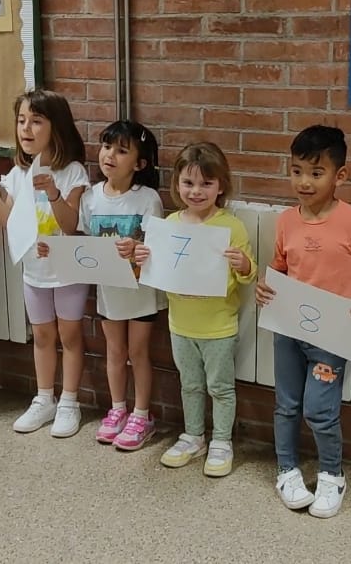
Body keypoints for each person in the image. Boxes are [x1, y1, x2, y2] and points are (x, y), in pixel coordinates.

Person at [256, 125, 351, 518]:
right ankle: (286, 470)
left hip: (331, 335)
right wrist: (265, 287)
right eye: (296, 171)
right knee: (287, 404)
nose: (304, 182)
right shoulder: (286, 221)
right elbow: (278, 268)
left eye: (316, 173)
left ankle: (331, 475)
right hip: (288, 328)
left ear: (340, 175)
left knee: (320, 409)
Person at [0, 89, 90, 437]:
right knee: (42, 335)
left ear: (56, 127)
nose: (26, 128)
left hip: (68, 271)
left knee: (69, 335)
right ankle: (44, 398)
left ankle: (70, 402)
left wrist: (52, 192)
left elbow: (70, 224)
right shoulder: (19, 173)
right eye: (21, 120)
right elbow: (9, 220)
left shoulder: (73, 172)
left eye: (36, 121)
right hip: (34, 270)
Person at [135, 142, 256, 477]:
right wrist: (142, 259)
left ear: (221, 186)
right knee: (189, 384)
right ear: (177, 184)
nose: (196, 191)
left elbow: (250, 275)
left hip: (218, 327)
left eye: (206, 183)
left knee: (220, 387)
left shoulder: (231, 226)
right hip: (180, 325)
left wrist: (244, 263)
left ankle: (222, 441)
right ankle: (193, 436)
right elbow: (156, 269)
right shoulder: (170, 223)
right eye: (188, 183)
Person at [78, 120, 166, 450]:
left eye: (121, 151)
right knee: (114, 352)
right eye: (106, 147)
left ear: (139, 164)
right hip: (109, 291)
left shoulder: (148, 199)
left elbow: (156, 245)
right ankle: (117, 409)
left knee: (138, 352)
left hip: (140, 291)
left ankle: (142, 415)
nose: (110, 155)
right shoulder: (90, 197)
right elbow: (85, 241)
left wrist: (138, 247)